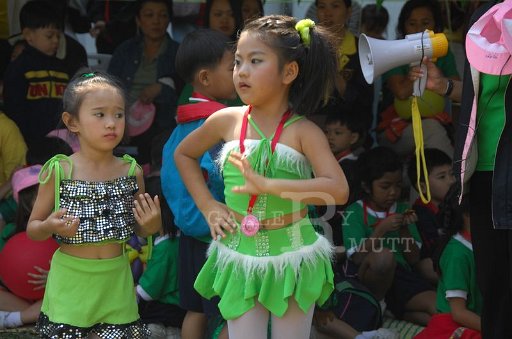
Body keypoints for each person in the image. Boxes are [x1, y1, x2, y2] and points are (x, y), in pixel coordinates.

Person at [174, 15, 348, 338]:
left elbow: (337, 189)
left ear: (289, 72)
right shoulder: (226, 120)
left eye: (255, 61)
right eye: (238, 61)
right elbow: (182, 154)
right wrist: (208, 205)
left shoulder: (304, 131)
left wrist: (268, 185)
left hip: (293, 252)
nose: (242, 71)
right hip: (239, 248)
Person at [26, 71, 161, 338]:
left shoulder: (131, 171)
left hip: (116, 281)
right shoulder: (60, 170)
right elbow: (32, 228)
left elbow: (139, 230)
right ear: (72, 122)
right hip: (71, 281)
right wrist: (50, 226)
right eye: (100, 114)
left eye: (119, 115)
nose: (111, 123)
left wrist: (151, 226)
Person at [161, 28, 236, 339]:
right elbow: (222, 176)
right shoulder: (216, 123)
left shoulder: (184, 120)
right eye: (234, 66)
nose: (241, 73)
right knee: (231, 312)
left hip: (189, 232)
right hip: (218, 232)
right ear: (205, 78)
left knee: (194, 309)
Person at [452, 1, 512, 337]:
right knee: (495, 287)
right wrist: (443, 87)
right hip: (485, 173)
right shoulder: (483, 16)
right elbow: (479, 95)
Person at [342, 147, 436, 326]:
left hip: (402, 278)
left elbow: (414, 259)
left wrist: (404, 230)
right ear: (366, 186)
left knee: (437, 310)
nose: (393, 192)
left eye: (398, 185)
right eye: (385, 186)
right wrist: (380, 230)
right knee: (384, 256)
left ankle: (398, 313)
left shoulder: (403, 209)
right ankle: (378, 305)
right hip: (370, 278)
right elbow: (356, 258)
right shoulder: (354, 212)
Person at [377, 0, 460, 159]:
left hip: (436, 123)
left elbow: (456, 88)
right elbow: (401, 92)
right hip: (396, 130)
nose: (419, 29)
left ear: (435, 25)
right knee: (432, 129)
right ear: (403, 27)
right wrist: (422, 69)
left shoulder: (444, 53)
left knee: (433, 129)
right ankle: (450, 178)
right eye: (412, 24)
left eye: (425, 23)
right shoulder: (394, 53)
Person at [108, 0, 180, 166]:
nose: (156, 21)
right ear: (138, 20)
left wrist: (162, 89)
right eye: (149, 15)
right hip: (122, 118)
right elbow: (109, 86)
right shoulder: (124, 51)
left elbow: (184, 90)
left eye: (162, 15)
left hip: (160, 124)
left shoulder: (178, 52)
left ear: (169, 20)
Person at [2, 0, 70, 147]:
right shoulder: (20, 67)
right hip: (28, 143)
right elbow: (14, 109)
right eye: (49, 36)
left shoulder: (62, 68)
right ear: (28, 35)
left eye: (58, 36)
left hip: (61, 142)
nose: (55, 41)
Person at [415, 189, 482, 338]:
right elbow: (458, 313)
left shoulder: (483, 244)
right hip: (454, 325)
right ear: (467, 214)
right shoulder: (457, 254)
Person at [314, 0, 374, 140]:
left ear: (348, 12)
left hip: (350, 128)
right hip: (312, 125)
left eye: (335, 6)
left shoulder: (362, 49)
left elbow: (364, 102)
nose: (327, 13)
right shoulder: (306, 48)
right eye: (322, 7)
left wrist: (334, 72)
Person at [137, 175, 186, 339]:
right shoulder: (180, 240)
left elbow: (147, 292)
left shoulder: (166, 247)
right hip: (177, 316)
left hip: (161, 320)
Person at [0, 165, 49, 330]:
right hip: (20, 297)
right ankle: (36, 315)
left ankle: (14, 319)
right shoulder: (9, 233)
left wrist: (55, 277)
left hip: (56, 295)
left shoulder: (66, 229)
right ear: (25, 202)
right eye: (39, 195)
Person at [408, 148, 455, 285]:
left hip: (458, 257)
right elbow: (430, 251)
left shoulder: (457, 204)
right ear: (423, 187)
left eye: (452, 174)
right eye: (442, 177)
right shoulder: (420, 214)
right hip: (438, 262)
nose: (451, 181)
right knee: (426, 266)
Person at [321, 110, 365, 246]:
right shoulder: (333, 163)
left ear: (353, 138)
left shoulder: (350, 168)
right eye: (327, 132)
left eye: (337, 133)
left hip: (340, 226)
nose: (330, 137)